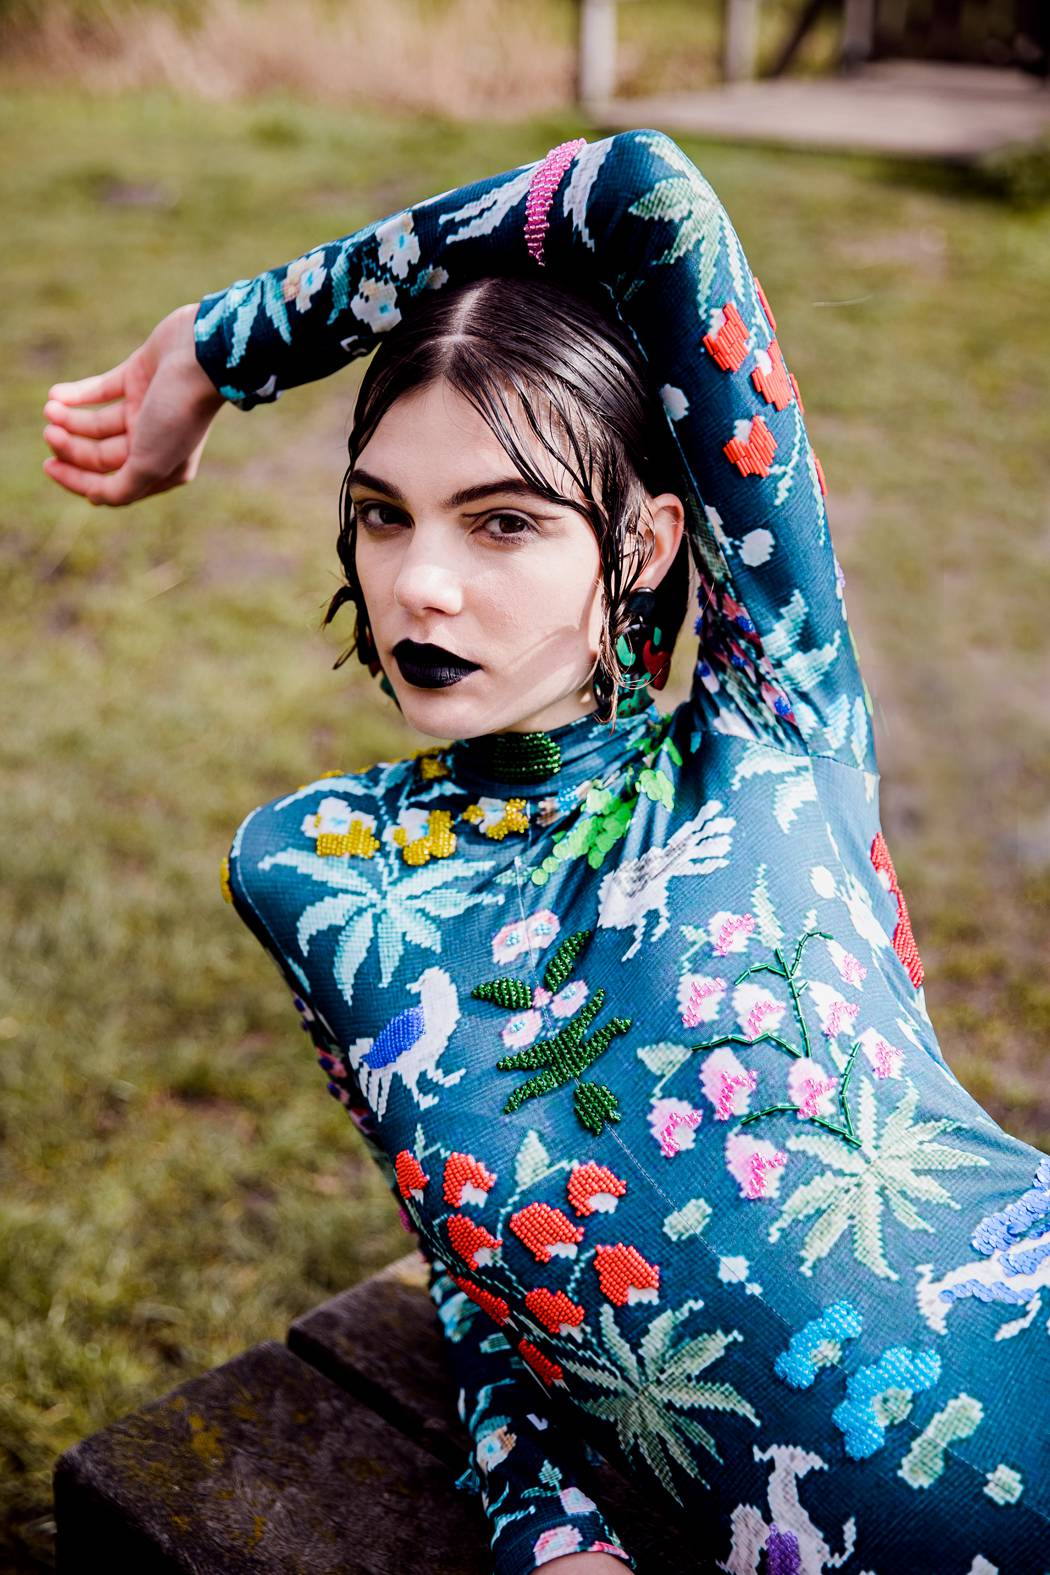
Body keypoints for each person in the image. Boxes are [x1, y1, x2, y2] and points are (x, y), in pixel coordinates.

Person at [42, 131, 1049, 1574]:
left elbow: (640, 194)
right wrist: (548, 1523)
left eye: (503, 522)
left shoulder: (774, 724)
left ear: (646, 544)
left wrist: (219, 349)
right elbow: (480, 1261)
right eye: (381, 516)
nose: (420, 583)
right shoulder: (322, 877)